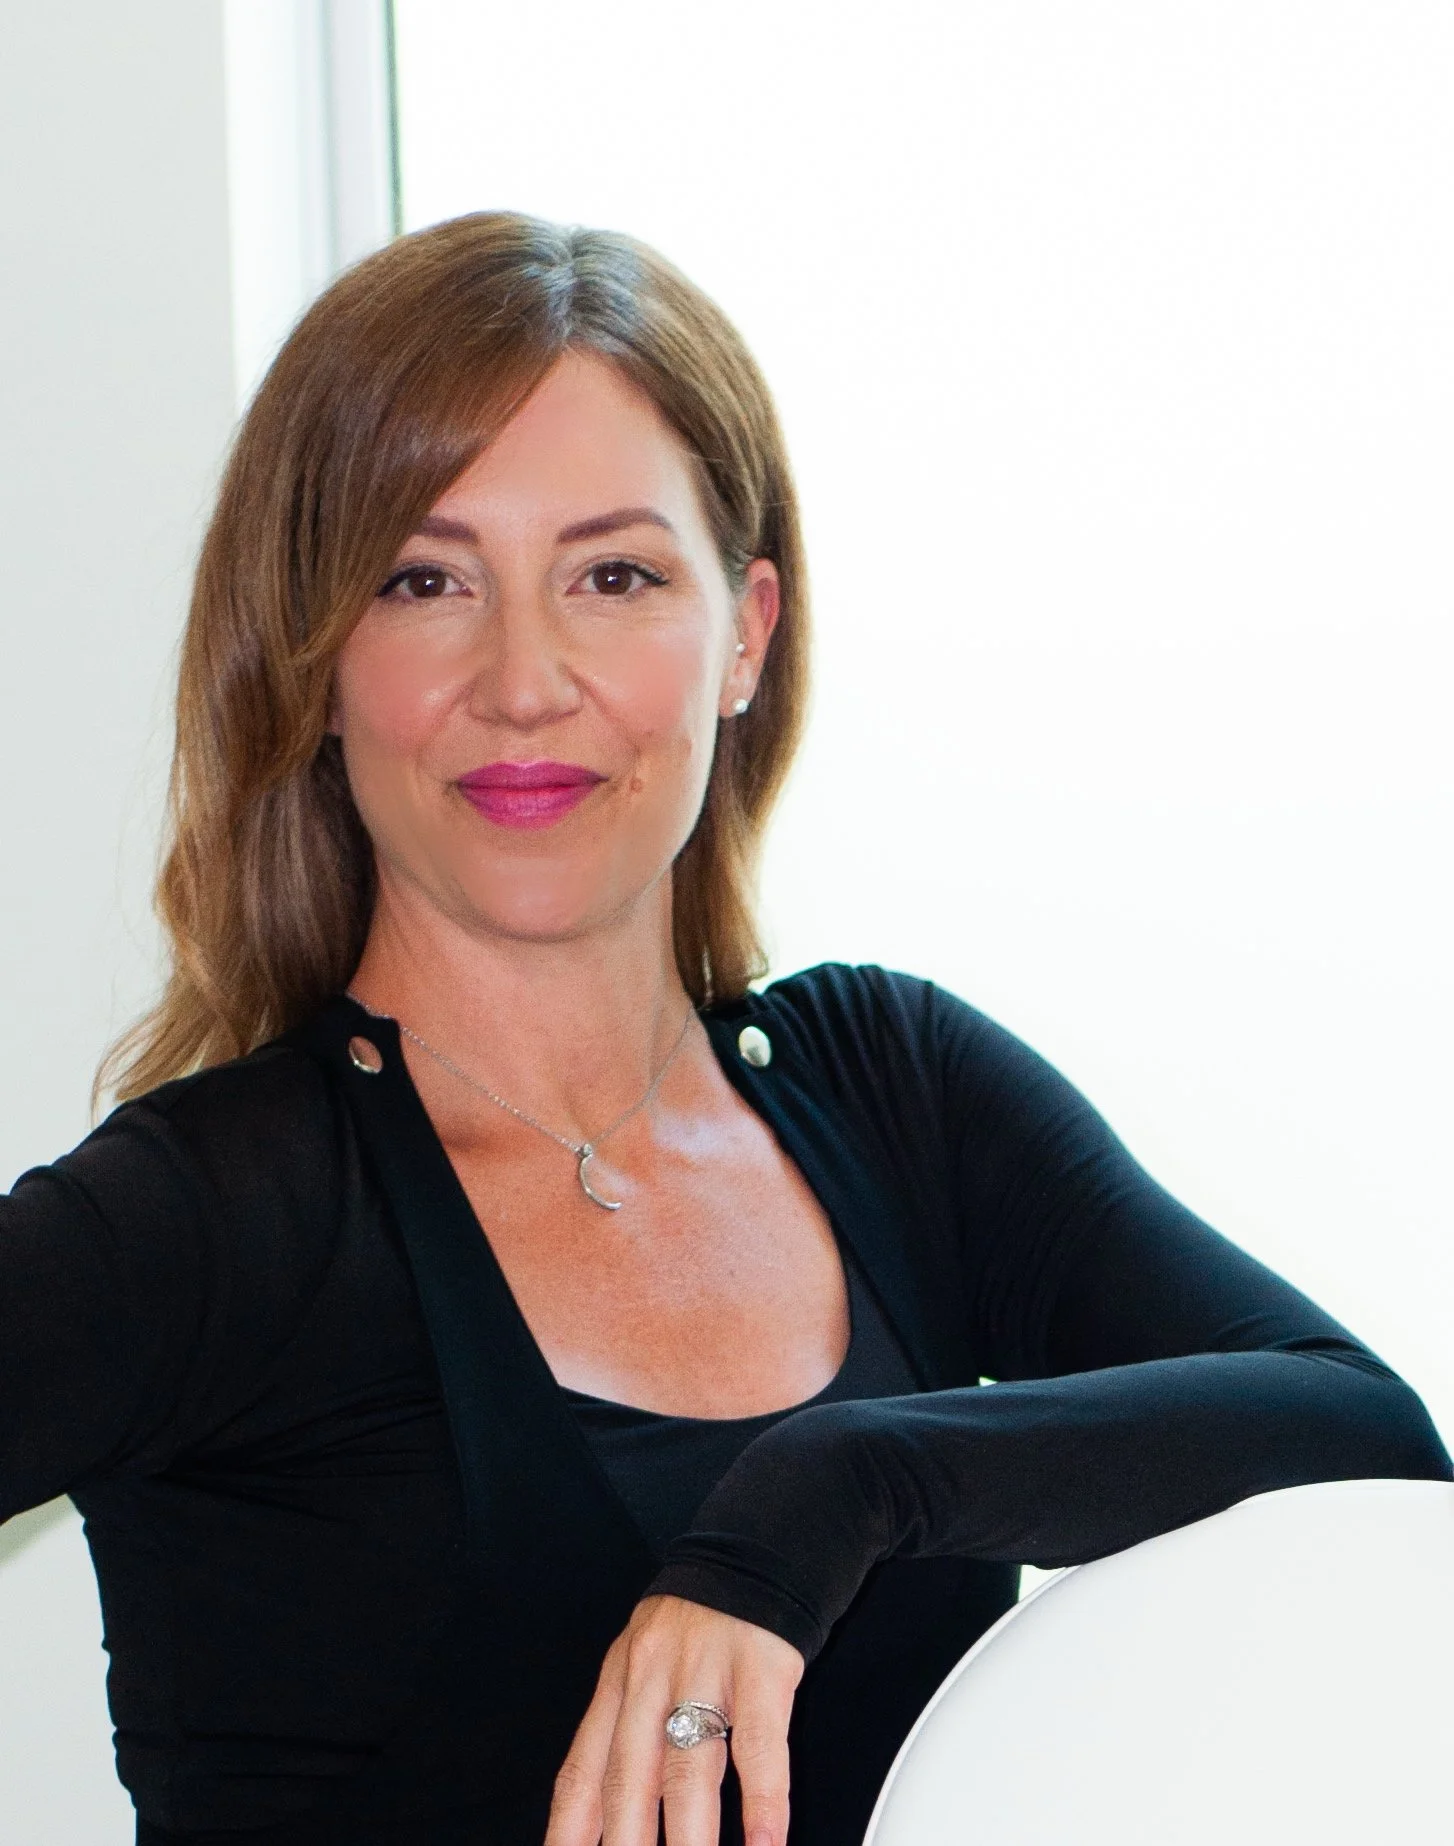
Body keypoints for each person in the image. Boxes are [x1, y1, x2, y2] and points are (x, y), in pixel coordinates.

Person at [1, 211, 1448, 1846]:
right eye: (424, 578)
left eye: (612, 575)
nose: (524, 679)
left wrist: (831, 1494)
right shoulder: (207, 1216)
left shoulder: (892, 1094)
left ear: (745, 632)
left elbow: (1360, 1438)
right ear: (317, 654)